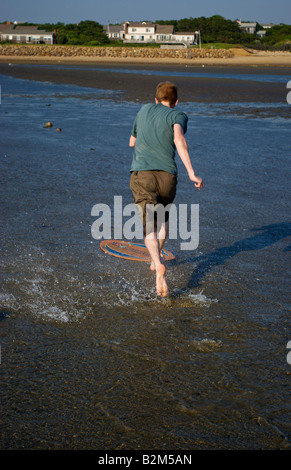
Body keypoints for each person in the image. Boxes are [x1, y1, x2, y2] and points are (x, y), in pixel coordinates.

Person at [129, 81, 203, 297]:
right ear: (176, 101)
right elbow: (179, 139)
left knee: (148, 228)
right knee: (162, 221)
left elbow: (132, 142)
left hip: (142, 174)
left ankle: (158, 265)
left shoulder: (143, 110)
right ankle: (156, 259)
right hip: (168, 176)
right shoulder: (177, 116)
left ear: (155, 99)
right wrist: (191, 172)